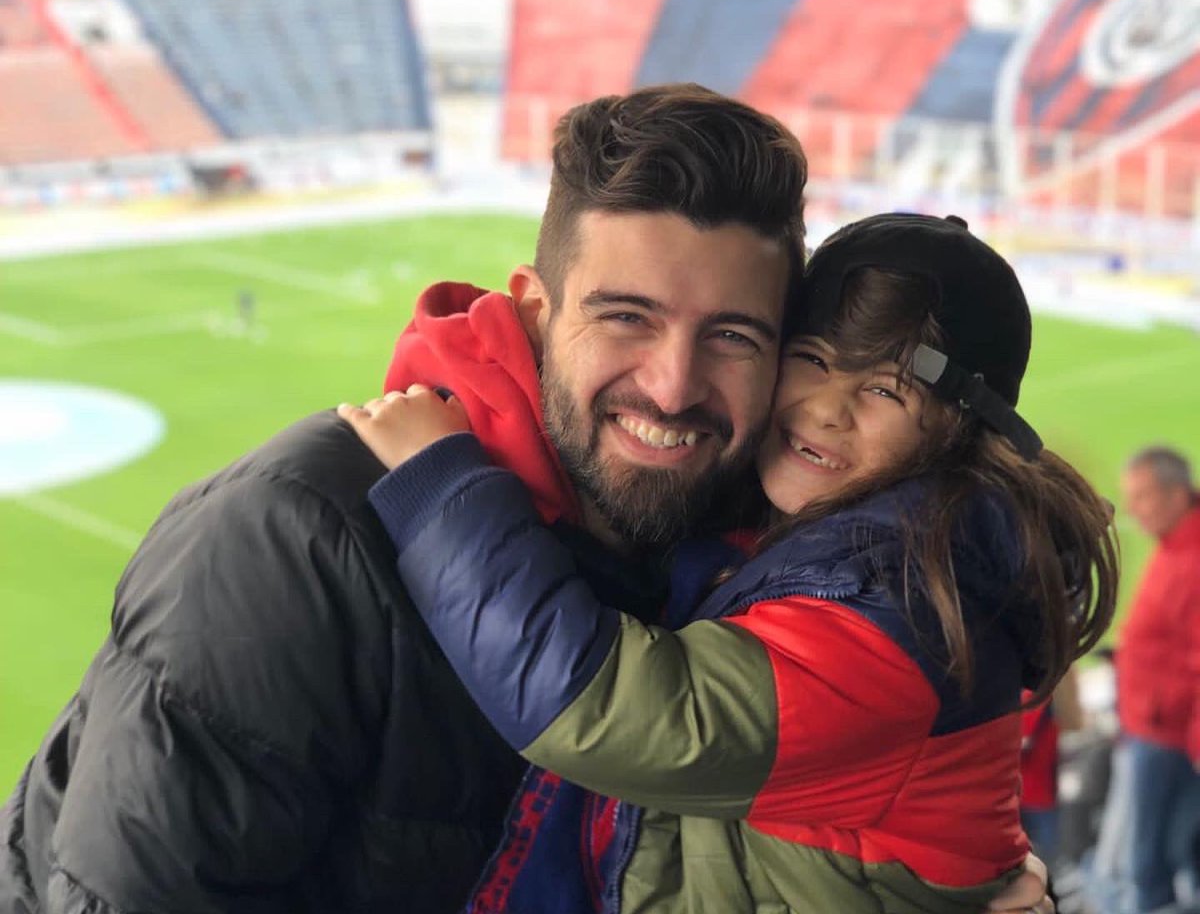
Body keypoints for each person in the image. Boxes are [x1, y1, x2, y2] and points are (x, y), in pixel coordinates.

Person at [0, 86, 1050, 914]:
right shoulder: (296, 539)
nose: (675, 385)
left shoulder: (747, 537)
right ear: (537, 311)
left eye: (734, 336)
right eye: (626, 318)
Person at [340, 212, 1117, 914]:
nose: (826, 406)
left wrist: (443, 486)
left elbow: (601, 711)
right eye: (812, 358)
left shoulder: (903, 606)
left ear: (962, 433)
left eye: (885, 388)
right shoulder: (857, 533)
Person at [1114, 447, 1200, 913]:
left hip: (1170, 741)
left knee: (1152, 866)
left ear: (1175, 493)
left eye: (1142, 497)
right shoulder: (1177, 545)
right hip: (1153, 728)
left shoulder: (1193, 556)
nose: (1135, 511)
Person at [1019, 668, 1085, 867]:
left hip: (1031, 791)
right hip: (1039, 790)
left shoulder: (1035, 697)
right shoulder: (1051, 698)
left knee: (1045, 860)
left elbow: (1023, 743)